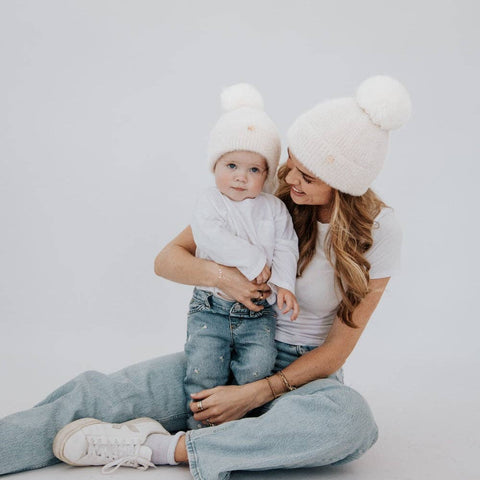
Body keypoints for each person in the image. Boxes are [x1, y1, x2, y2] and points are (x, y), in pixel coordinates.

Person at [0, 75, 411, 479]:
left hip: (301, 379)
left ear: (344, 184)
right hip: (226, 349)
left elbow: (337, 351)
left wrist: (254, 393)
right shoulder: (269, 196)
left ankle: (161, 448)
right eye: (291, 164)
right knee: (100, 394)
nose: (288, 180)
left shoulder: (379, 231)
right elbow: (168, 259)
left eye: (308, 176)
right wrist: (223, 277)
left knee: (350, 421)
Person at [184, 83, 299, 430]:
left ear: (265, 176)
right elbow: (211, 238)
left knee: (257, 369)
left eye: (254, 170)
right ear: (214, 164)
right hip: (212, 308)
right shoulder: (209, 202)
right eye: (231, 165)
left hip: (258, 315)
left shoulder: (273, 208)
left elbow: (286, 244)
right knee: (203, 369)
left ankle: (243, 431)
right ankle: (199, 433)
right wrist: (254, 263)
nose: (240, 177)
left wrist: (283, 285)